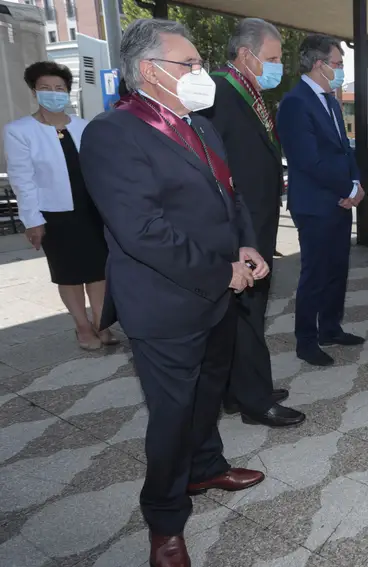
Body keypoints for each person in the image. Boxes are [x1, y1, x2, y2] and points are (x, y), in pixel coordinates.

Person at [79, 19, 270, 566]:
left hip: (216, 292)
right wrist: (220, 272)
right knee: (170, 413)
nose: (200, 74)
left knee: (208, 392)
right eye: (188, 65)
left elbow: (227, 197)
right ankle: (164, 519)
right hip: (164, 303)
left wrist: (247, 247)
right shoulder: (113, 133)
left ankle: (206, 466)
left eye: (199, 64)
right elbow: (142, 230)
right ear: (148, 71)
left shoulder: (200, 124)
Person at [199, 18, 304, 428]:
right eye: (273, 58)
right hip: (239, 223)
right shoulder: (219, 92)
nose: (277, 66)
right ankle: (255, 400)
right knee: (246, 309)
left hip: (256, 217)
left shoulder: (247, 92)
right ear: (246, 55)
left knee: (247, 309)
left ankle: (240, 387)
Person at [4, 61, 117, 351]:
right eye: (46, 88)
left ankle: (100, 322)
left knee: (98, 271)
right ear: (34, 91)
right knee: (69, 273)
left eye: (60, 89)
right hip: (53, 214)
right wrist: (33, 220)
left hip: (91, 210)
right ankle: (82, 327)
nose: (54, 94)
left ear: (68, 92)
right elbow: (22, 180)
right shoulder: (20, 131)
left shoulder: (84, 126)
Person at [277, 34, 367, 367]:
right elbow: (307, 160)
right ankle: (307, 340)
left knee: (337, 269)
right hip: (315, 204)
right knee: (315, 274)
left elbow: (345, 147)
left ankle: (330, 327)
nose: (341, 71)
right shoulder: (295, 102)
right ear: (319, 64)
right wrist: (346, 189)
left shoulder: (329, 99)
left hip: (339, 200)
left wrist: (356, 184)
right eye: (338, 64)